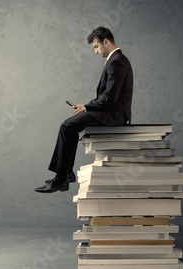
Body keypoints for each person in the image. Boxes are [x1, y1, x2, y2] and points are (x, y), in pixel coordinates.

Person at [35, 27, 133, 193]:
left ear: (106, 42)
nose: (95, 51)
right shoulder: (118, 60)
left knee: (67, 126)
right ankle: (66, 175)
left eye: (96, 46)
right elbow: (107, 97)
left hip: (114, 115)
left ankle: (61, 179)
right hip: (111, 112)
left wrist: (87, 107)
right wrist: (85, 106)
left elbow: (110, 98)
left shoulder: (116, 62)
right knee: (69, 127)